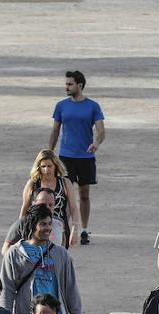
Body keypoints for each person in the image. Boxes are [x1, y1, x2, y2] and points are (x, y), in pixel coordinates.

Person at [0, 204, 85, 314]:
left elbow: (71, 288)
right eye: (43, 224)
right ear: (32, 225)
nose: (48, 228)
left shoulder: (60, 253)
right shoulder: (14, 254)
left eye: (49, 224)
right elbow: (6, 290)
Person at [48, 70, 104, 245]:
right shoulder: (61, 106)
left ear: (80, 85)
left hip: (85, 157)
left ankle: (84, 230)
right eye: (66, 84)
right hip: (65, 156)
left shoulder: (93, 106)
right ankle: (63, 228)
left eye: (70, 84)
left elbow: (101, 131)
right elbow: (55, 130)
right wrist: (49, 152)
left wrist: (96, 143)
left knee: (84, 194)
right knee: (64, 194)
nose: (67, 87)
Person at [19, 149, 78, 248]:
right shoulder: (32, 184)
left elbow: (74, 208)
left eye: (49, 166)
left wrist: (75, 229)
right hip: (36, 230)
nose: (46, 170)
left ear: (55, 166)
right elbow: (24, 208)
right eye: (43, 166)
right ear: (39, 167)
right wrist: (20, 230)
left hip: (60, 230)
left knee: (58, 260)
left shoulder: (65, 183)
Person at [1, 188, 64, 256]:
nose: (47, 208)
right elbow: (5, 250)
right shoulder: (22, 224)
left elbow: (62, 246)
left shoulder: (59, 223)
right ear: (33, 203)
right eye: (43, 204)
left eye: (51, 205)